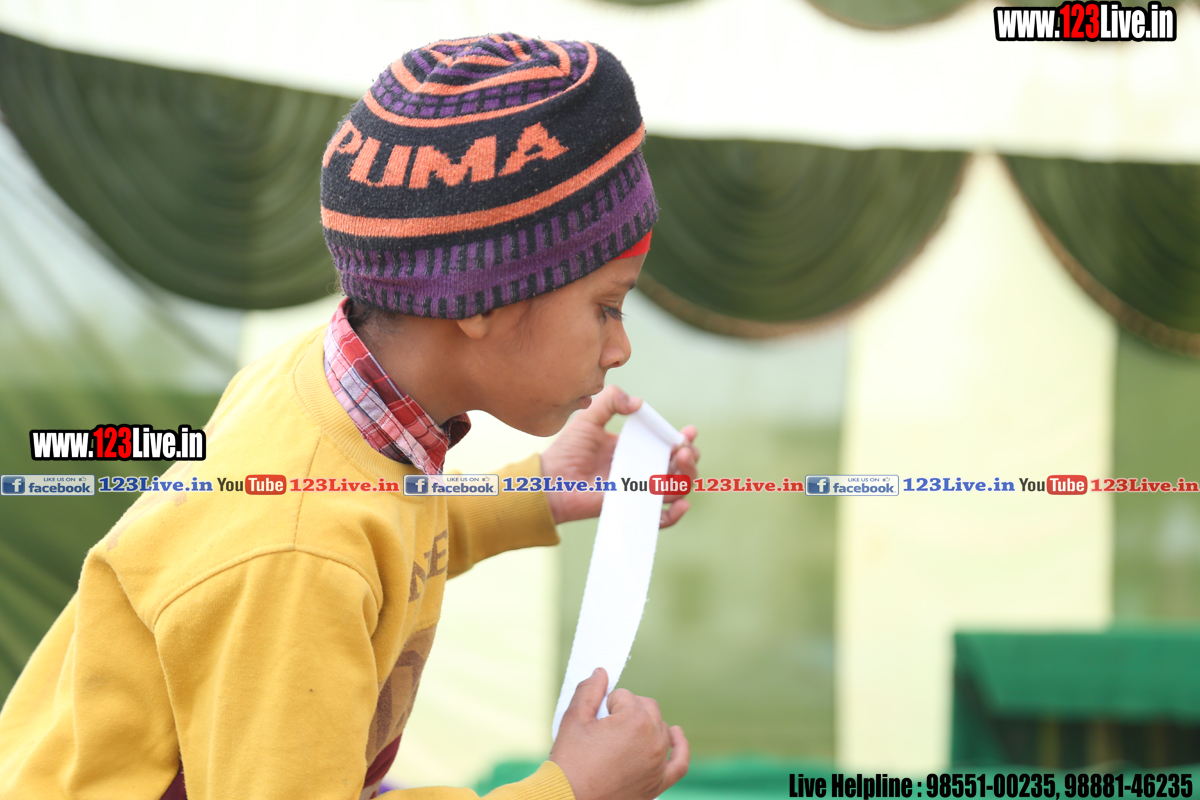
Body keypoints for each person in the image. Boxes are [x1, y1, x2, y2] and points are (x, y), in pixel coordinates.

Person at [0, 32, 699, 800]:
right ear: (482, 299)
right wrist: (569, 790)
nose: (620, 348)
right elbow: (330, 553)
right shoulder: (296, 553)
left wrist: (541, 489)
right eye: (606, 307)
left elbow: (383, 532)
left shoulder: (333, 398)